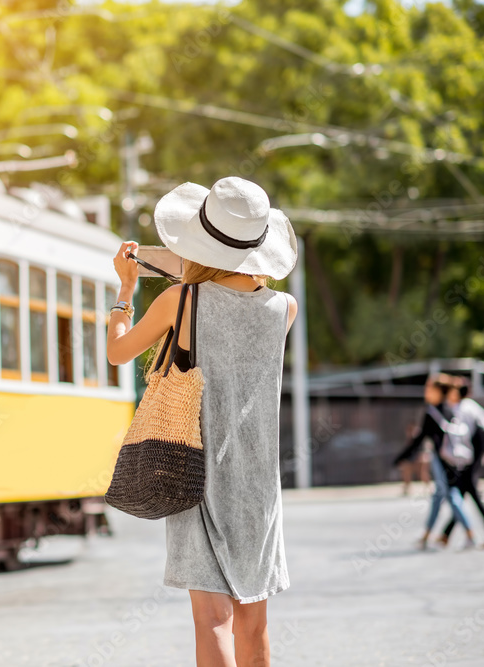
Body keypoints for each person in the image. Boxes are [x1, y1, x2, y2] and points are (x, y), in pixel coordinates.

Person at [106, 176, 298, 667]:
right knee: (254, 622)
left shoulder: (179, 302)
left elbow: (117, 352)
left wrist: (126, 291)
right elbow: (229, 282)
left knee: (212, 620)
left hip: (194, 469)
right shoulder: (284, 309)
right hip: (259, 483)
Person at [392, 374, 476, 549]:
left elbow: (419, 440)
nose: (426, 391)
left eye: (429, 388)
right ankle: (426, 536)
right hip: (454, 460)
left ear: (438, 391)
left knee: (451, 495)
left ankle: (470, 533)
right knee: (439, 496)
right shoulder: (451, 409)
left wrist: (401, 458)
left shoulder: (432, 412)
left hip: (441, 460)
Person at [439, 378, 484, 547]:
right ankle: (446, 534)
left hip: (473, 454)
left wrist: (459, 457)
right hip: (477, 452)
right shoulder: (473, 406)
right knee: (465, 490)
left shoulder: (462, 408)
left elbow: (463, 435)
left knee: (468, 490)